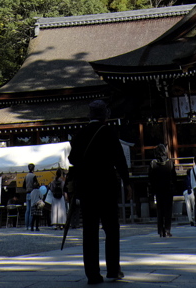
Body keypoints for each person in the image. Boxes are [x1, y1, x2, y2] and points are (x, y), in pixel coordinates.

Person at [68, 99, 130, 285]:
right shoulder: (109, 133)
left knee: (90, 231)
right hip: (107, 186)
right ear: (105, 115)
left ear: (90, 115)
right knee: (111, 229)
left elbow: (72, 159)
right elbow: (119, 160)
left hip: (87, 188)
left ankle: (92, 274)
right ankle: (113, 269)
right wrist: (127, 182)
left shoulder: (80, 135)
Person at [148, 144, 175, 237]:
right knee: (168, 210)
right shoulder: (170, 163)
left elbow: (150, 178)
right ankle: (167, 229)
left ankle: (160, 230)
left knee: (160, 210)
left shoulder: (153, 164)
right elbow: (174, 177)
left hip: (158, 190)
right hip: (168, 190)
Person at [24, 163, 38, 230]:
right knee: (31, 210)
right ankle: (30, 224)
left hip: (27, 193)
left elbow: (23, 185)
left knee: (27, 210)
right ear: (33, 168)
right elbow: (36, 184)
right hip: (32, 193)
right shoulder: (34, 176)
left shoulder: (26, 176)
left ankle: (26, 225)